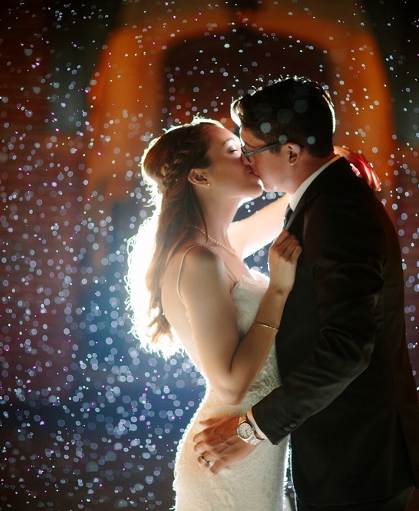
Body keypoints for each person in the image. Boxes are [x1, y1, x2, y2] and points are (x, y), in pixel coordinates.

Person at [191, 76, 419, 511]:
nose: (247, 160)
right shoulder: (324, 194)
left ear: (290, 152)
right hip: (341, 451)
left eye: (251, 149)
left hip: (357, 458)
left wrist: (251, 430)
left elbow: (347, 348)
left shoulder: (337, 208)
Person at [126, 117, 302, 511]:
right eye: (234, 151)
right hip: (226, 455)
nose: (249, 158)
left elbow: (297, 200)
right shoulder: (198, 259)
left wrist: (335, 161)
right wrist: (277, 290)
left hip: (254, 447)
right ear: (200, 176)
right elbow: (230, 386)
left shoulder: (226, 243)